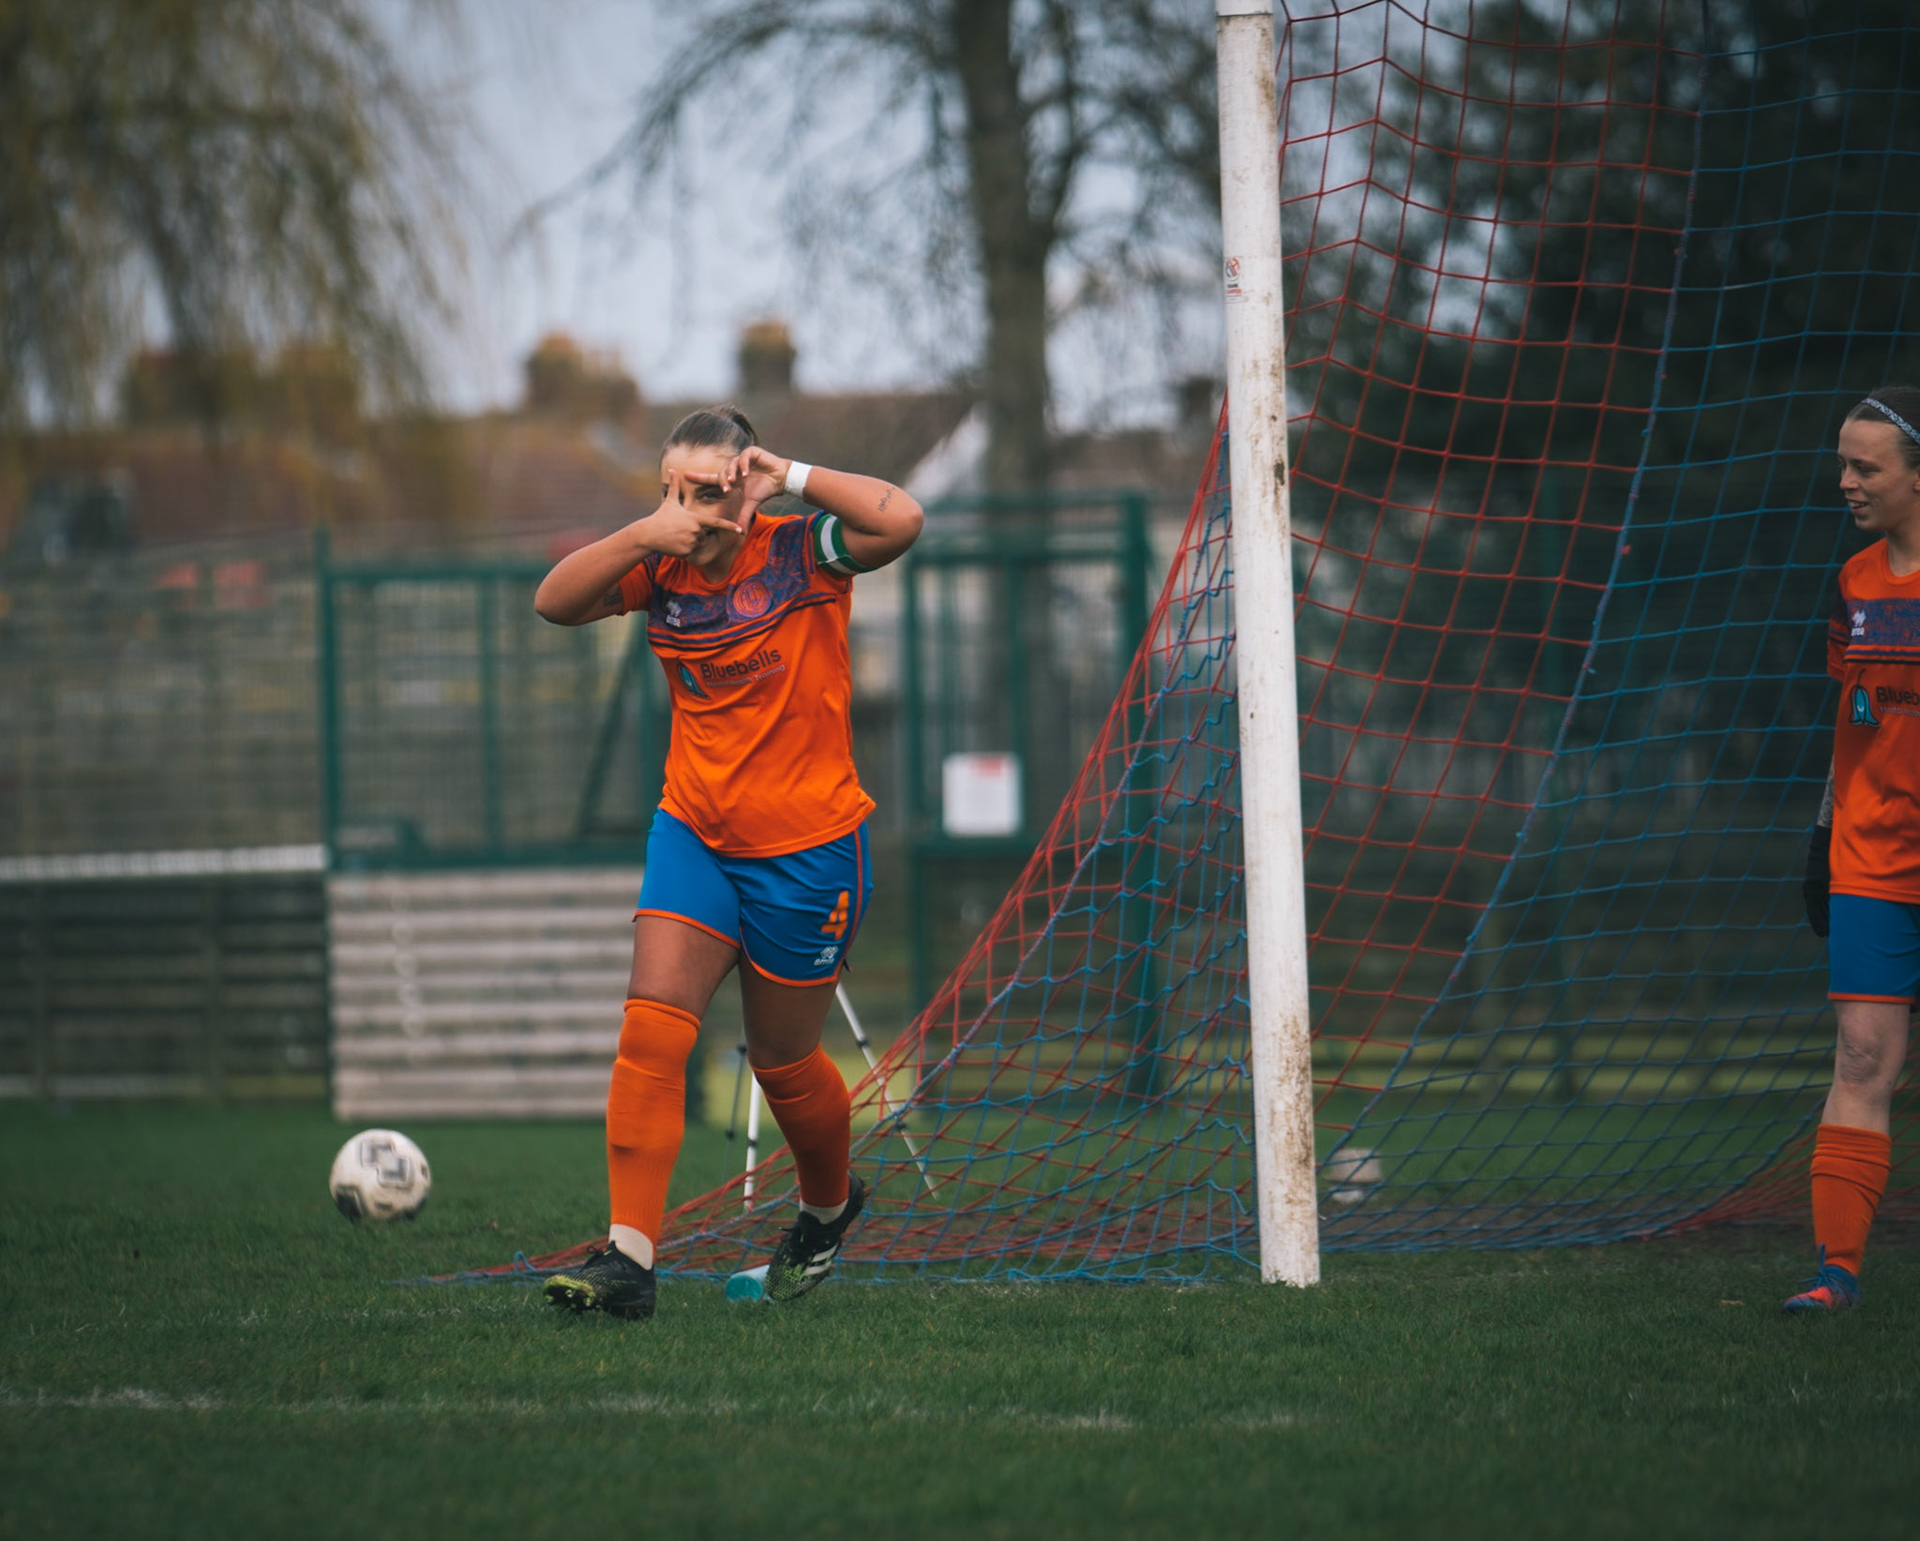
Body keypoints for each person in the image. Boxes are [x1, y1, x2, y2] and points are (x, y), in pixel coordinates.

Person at [530, 405, 923, 1321]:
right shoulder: (657, 565)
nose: (682, 508)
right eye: (669, 488)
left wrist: (794, 472)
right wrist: (640, 532)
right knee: (652, 1029)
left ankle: (828, 1210)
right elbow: (553, 602)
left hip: (810, 850)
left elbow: (900, 518)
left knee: (784, 1064)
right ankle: (629, 1260)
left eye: (703, 491)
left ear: (745, 488)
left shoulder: (803, 552)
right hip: (694, 834)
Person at [1791, 385, 1920, 1312]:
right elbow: (1856, 710)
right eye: (1844, 461)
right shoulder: (1854, 581)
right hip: (1872, 859)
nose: (1847, 480)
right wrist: (1825, 823)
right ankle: (1836, 1274)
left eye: (1865, 465)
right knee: (1864, 1058)